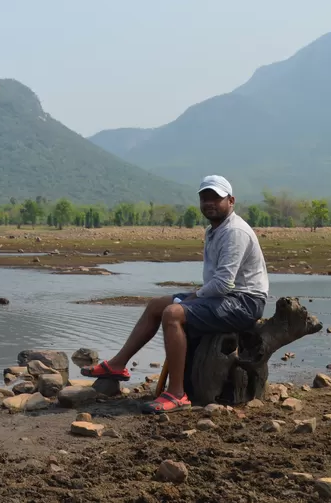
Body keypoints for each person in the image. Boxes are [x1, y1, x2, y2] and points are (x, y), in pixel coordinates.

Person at [79, 175, 269, 413]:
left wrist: (194, 297)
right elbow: (217, 284)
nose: (209, 203)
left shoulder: (235, 232)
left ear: (231, 201)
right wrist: (196, 296)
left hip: (244, 302)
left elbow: (223, 284)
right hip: (225, 297)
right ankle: (117, 365)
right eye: (205, 198)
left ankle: (177, 394)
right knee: (157, 305)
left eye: (216, 198)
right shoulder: (215, 229)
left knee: (172, 314)